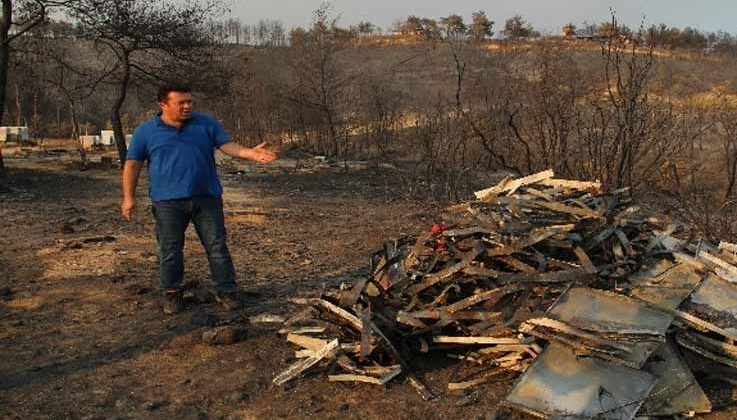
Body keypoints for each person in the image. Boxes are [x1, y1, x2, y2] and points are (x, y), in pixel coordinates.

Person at [121, 83, 278, 314]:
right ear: (163, 104)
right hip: (167, 202)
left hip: (206, 197)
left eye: (189, 102)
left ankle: (227, 291)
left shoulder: (205, 123)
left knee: (216, 246)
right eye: (181, 103)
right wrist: (128, 197)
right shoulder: (146, 131)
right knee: (170, 249)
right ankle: (172, 294)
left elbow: (228, 146)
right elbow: (132, 164)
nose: (187, 106)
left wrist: (249, 153)